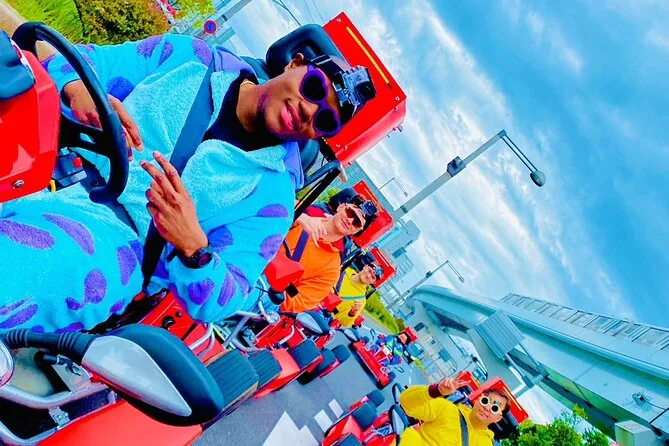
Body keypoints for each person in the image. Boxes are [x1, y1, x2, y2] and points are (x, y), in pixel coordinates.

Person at [0, 32, 375, 332]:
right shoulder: (189, 58)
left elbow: (226, 298)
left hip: (107, 246)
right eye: (314, 89)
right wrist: (77, 89)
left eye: (325, 120)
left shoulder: (273, 199)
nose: (309, 110)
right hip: (38, 157)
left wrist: (193, 247)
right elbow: (83, 62)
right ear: (295, 64)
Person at [268, 189, 378, 313]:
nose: (350, 221)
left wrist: (274, 292)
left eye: (357, 223)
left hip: (266, 292)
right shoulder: (304, 209)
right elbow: (266, 202)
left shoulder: (332, 269)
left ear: (357, 231)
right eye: (350, 212)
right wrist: (301, 217)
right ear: (341, 207)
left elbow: (297, 301)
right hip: (251, 253)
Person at [399, 378, 510, 446]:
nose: (487, 407)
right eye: (485, 401)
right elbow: (406, 403)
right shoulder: (448, 409)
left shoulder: (485, 444)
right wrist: (436, 390)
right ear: (477, 400)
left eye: (494, 408)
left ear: (498, 418)